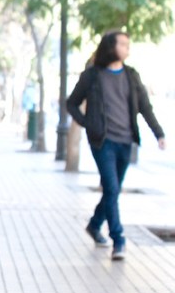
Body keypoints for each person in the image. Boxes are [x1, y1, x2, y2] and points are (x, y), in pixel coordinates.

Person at [67, 31, 166, 261]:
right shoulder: (92, 75)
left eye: (128, 44)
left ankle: (94, 224)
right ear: (111, 46)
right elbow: (71, 103)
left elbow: (145, 107)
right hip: (102, 141)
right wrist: (87, 124)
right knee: (111, 189)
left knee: (113, 191)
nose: (126, 48)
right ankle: (118, 240)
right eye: (122, 44)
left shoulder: (131, 76)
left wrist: (158, 133)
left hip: (126, 141)